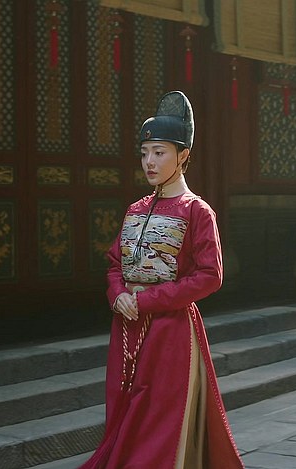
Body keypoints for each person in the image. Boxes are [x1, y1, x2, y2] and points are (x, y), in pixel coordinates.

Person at [79, 91, 244, 469]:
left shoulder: (196, 210)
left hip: (170, 330)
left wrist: (145, 301)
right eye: (144, 153)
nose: (149, 162)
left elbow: (210, 276)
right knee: (123, 405)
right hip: (126, 323)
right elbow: (115, 264)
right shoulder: (135, 208)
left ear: (183, 156)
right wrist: (118, 295)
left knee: (159, 415)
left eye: (159, 152)